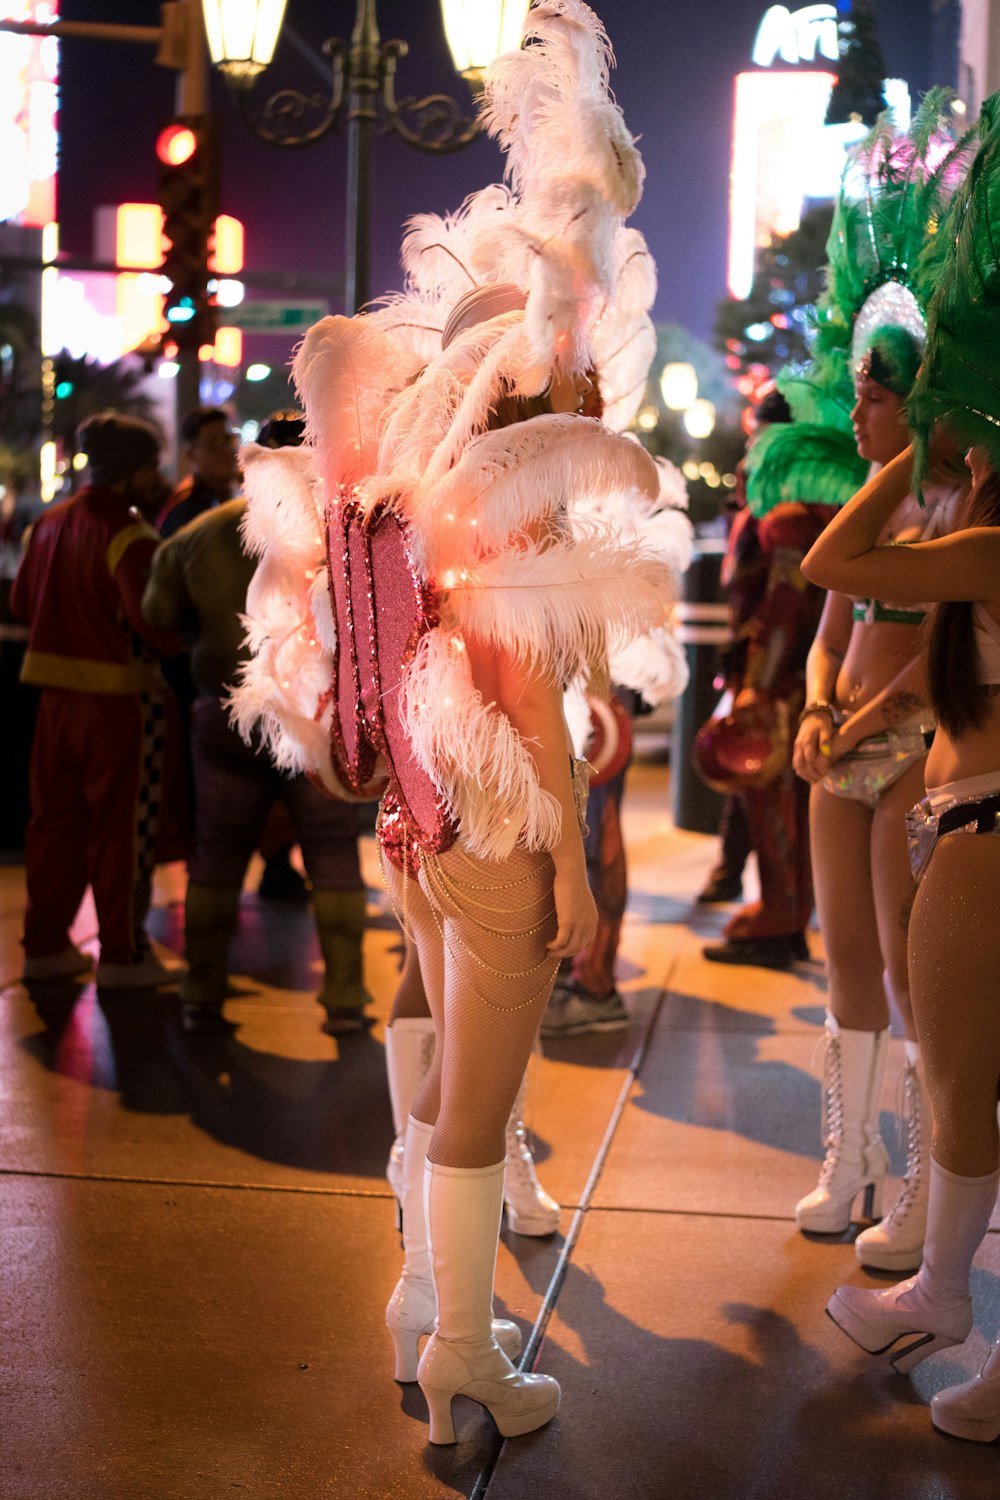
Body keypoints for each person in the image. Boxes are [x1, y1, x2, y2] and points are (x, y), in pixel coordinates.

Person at [233, 0, 680, 1444]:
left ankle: (425, 1304)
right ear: (542, 360)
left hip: (413, 826)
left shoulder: (402, 498)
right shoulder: (513, 498)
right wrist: (568, 866)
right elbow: (530, 688)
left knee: (437, 1105)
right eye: (576, 341)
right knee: (480, 1114)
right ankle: (466, 1364)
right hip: (494, 829)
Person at [814, 87, 1000, 1445]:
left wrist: (913, 443)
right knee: (965, 1079)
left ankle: (944, 1291)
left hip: (982, 830)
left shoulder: (991, 545)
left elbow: (836, 562)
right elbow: (836, 589)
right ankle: (940, 1288)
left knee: (962, 1084)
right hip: (963, 817)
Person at [766, 97, 973, 1271]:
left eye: (873, 397)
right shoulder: (880, 498)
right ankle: (846, 1164)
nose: (852, 413)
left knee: (909, 972)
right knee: (841, 958)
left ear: (917, 398)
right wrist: (808, 705)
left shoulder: (955, 512)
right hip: (835, 741)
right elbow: (827, 609)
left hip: (915, 752)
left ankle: (913, 1187)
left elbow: (955, 656)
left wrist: (870, 721)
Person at [141, 411, 372, 1035]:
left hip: (225, 718)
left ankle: (203, 988)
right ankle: (346, 994)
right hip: (318, 722)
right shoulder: (348, 537)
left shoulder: (202, 535)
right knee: (332, 855)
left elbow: (156, 610)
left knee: (216, 853)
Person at [12, 411, 186, 989]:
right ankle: (122, 955)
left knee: (52, 825)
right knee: (123, 830)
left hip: (52, 704)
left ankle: (45, 947)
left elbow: (19, 604)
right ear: (134, 472)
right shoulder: (132, 536)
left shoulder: (47, 524)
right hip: (121, 704)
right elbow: (154, 625)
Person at [700, 389, 838, 970]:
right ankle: (783, 914)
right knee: (783, 805)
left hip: (777, 686)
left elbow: (782, 606)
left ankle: (781, 918)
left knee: (776, 802)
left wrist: (756, 686)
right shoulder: (793, 508)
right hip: (786, 680)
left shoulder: (786, 517)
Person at [156, 406, 239, 539]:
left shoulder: (246, 492)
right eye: (213, 443)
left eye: (229, 440)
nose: (227, 450)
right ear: (190, 454)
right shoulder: (184, 511)